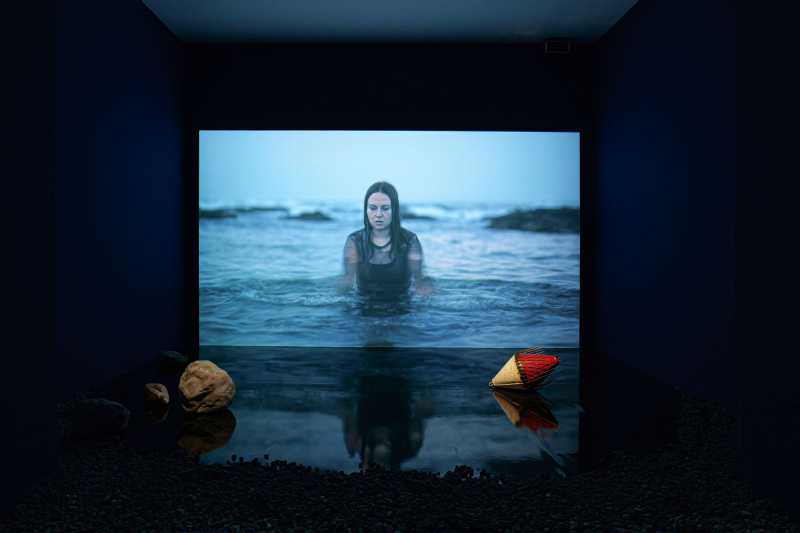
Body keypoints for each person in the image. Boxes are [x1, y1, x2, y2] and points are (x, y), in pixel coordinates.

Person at [337, 181, 433, 298]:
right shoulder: (355, 241)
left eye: (385, 208)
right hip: (364, 305)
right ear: (366, 210)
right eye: (372, 208)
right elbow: (347, 281)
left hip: (401, 305)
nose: (378, 214)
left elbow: (419, 282)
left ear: (394, 210)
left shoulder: (409, 241)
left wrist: (426, 289)